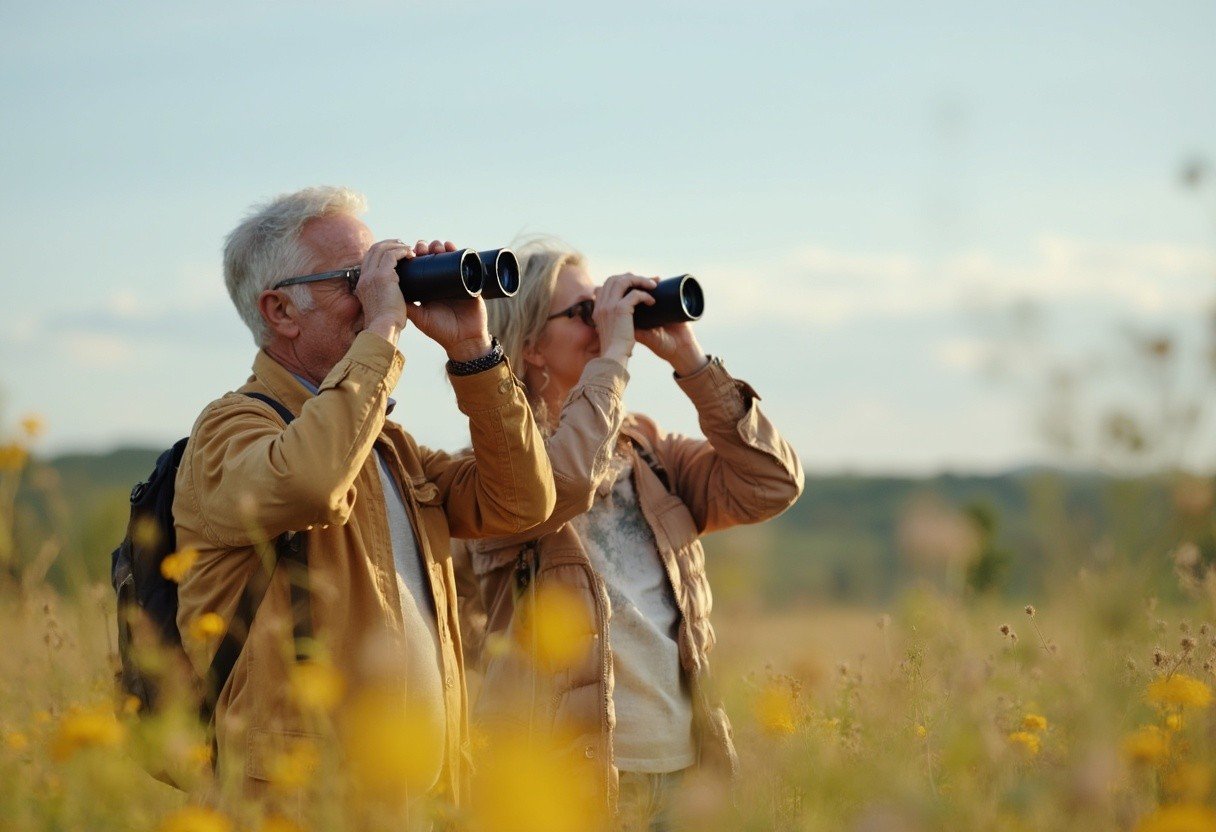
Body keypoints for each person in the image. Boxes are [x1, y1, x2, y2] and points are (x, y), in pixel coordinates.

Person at [172, 186, 556, 808]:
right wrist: (382, 330)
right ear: (281, 311)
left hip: (417, 801)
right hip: (301, 801)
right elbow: (312, 483)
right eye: (360, 275)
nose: (390, 288)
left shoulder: (387, 445)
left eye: (390, 268)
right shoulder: (232, 427)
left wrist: (471, 351)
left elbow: (520, 501)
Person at [455, 241, 804, 829]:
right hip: (565, 779)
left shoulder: (647, 452)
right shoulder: (497, 472)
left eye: (604, 305)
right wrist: (613, 357)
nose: (605, 321)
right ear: (532, 347)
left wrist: (690, 361)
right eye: (584, 312)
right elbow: (560, 478)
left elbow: (772, 483)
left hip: (683, 767)